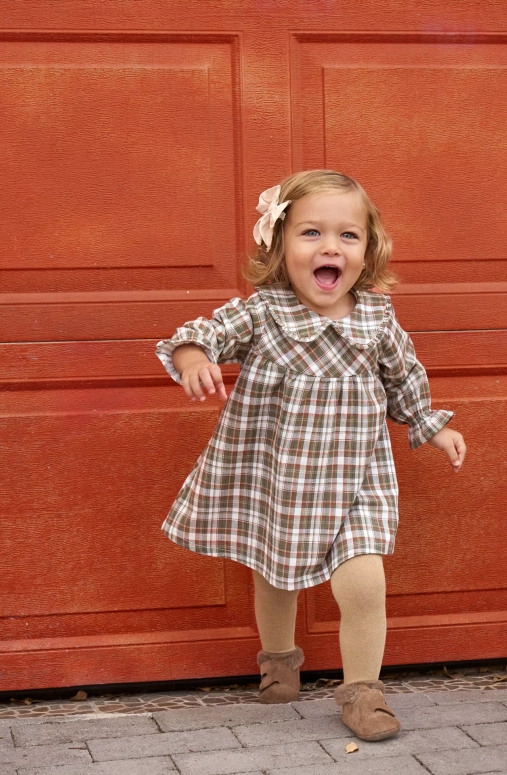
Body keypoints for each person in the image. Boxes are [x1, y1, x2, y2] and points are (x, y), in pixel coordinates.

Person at [156, 169, 466, 741]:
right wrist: (196, 356)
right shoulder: (264, 312)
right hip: (280, 472)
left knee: (364, 581)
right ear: (278, 244)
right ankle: (278, 659)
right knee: (276, 570)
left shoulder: (377, 318)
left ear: (368, 249)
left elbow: (404, 380)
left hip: (358, 476)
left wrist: (429, 424)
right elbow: (204, 331)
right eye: (310, 233)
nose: (330, 247)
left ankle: (362, 692)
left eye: (348, 236)